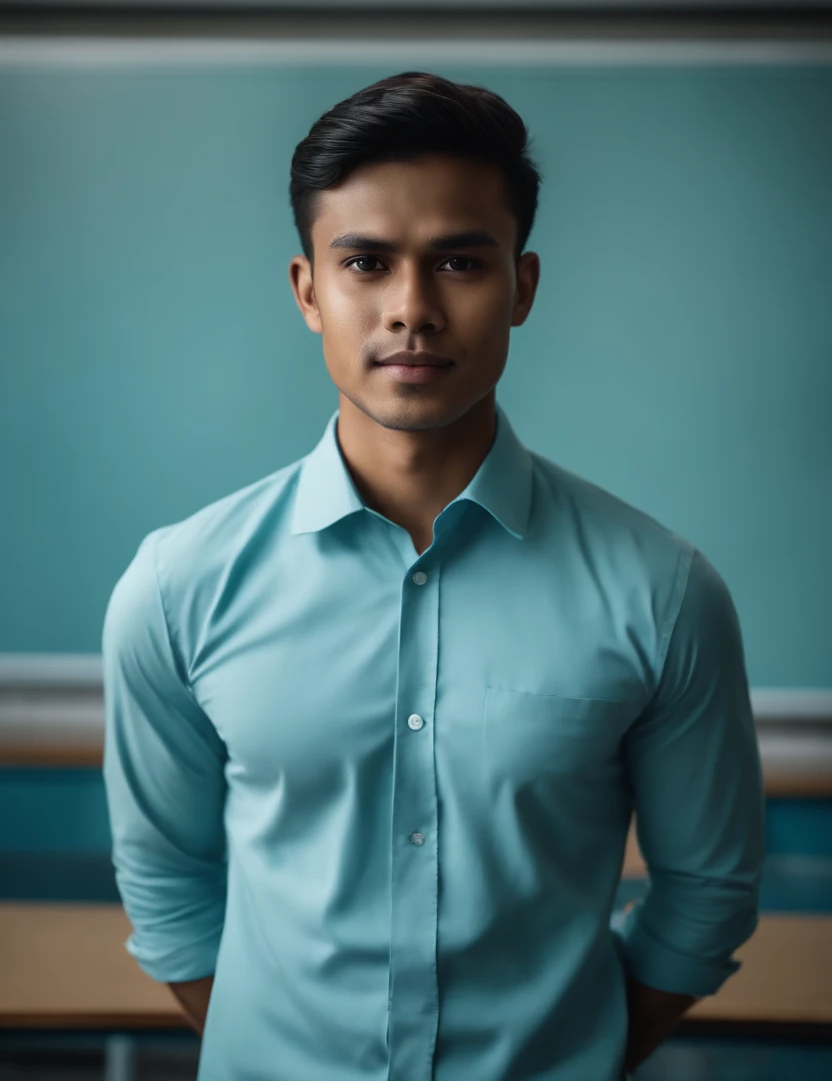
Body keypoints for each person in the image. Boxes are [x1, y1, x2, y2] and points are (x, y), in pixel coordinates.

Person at [101, 71, 766, 1081]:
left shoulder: (661, 593)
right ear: (308, 290)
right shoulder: (178, 586)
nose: (412, 309)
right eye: (366, 263)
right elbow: (165, 879)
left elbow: (706, 892)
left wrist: (573, 1056)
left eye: (459, 261)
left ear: (522, 286)